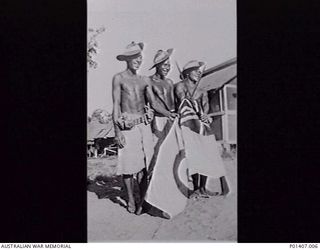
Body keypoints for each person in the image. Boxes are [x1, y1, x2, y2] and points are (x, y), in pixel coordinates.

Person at [112, 42, 175, 214]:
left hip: (144, 124)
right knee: (128, 166)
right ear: (126, 59)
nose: (137, 60)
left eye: (139, 57)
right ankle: (131, 200)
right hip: (127, 124)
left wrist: (168, 114)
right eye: (133, 57)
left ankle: (144, 200)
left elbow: (153, 103)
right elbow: (116, 105)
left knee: (146, 163)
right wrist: (117, 131)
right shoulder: (119, 78)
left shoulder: (144, 80)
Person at [174, 60, 230, 199]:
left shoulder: (202, 91)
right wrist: (191, 99)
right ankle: (195, 187)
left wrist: (206, 116)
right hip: (187, 125)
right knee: (193, 156)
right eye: (195, 71)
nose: (198, 73)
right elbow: (183, 102)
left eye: (200, 71)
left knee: (205, 154)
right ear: (187, 73)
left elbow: (205, 108)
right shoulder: (180, 86)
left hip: (201, 126)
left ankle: (202, 188)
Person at [148, 48, 177, 143]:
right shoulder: (149, 81)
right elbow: (154, 104)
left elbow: (174, 101)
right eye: (165, 65)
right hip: (158, 120)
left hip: (172, 118)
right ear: (157, 66)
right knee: (159, 148)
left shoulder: (169, 82)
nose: (167, 68)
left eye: (169, 65)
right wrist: (168, 114)